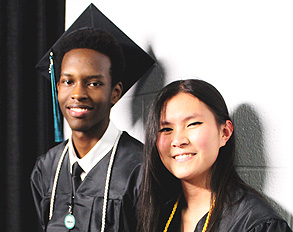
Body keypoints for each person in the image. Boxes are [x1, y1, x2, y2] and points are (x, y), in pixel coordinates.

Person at [30, 4, 154, 232]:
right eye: (68, 81)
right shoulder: (46, 167)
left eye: (94, 83)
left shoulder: (142, 169)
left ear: (115, 93)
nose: (78, 94)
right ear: (57, 88)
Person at [138, 79, 292, 232]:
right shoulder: (158, 211)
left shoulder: (257, 224)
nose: (178, 140)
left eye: (193, 124)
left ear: (224, 133)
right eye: (166, 129)